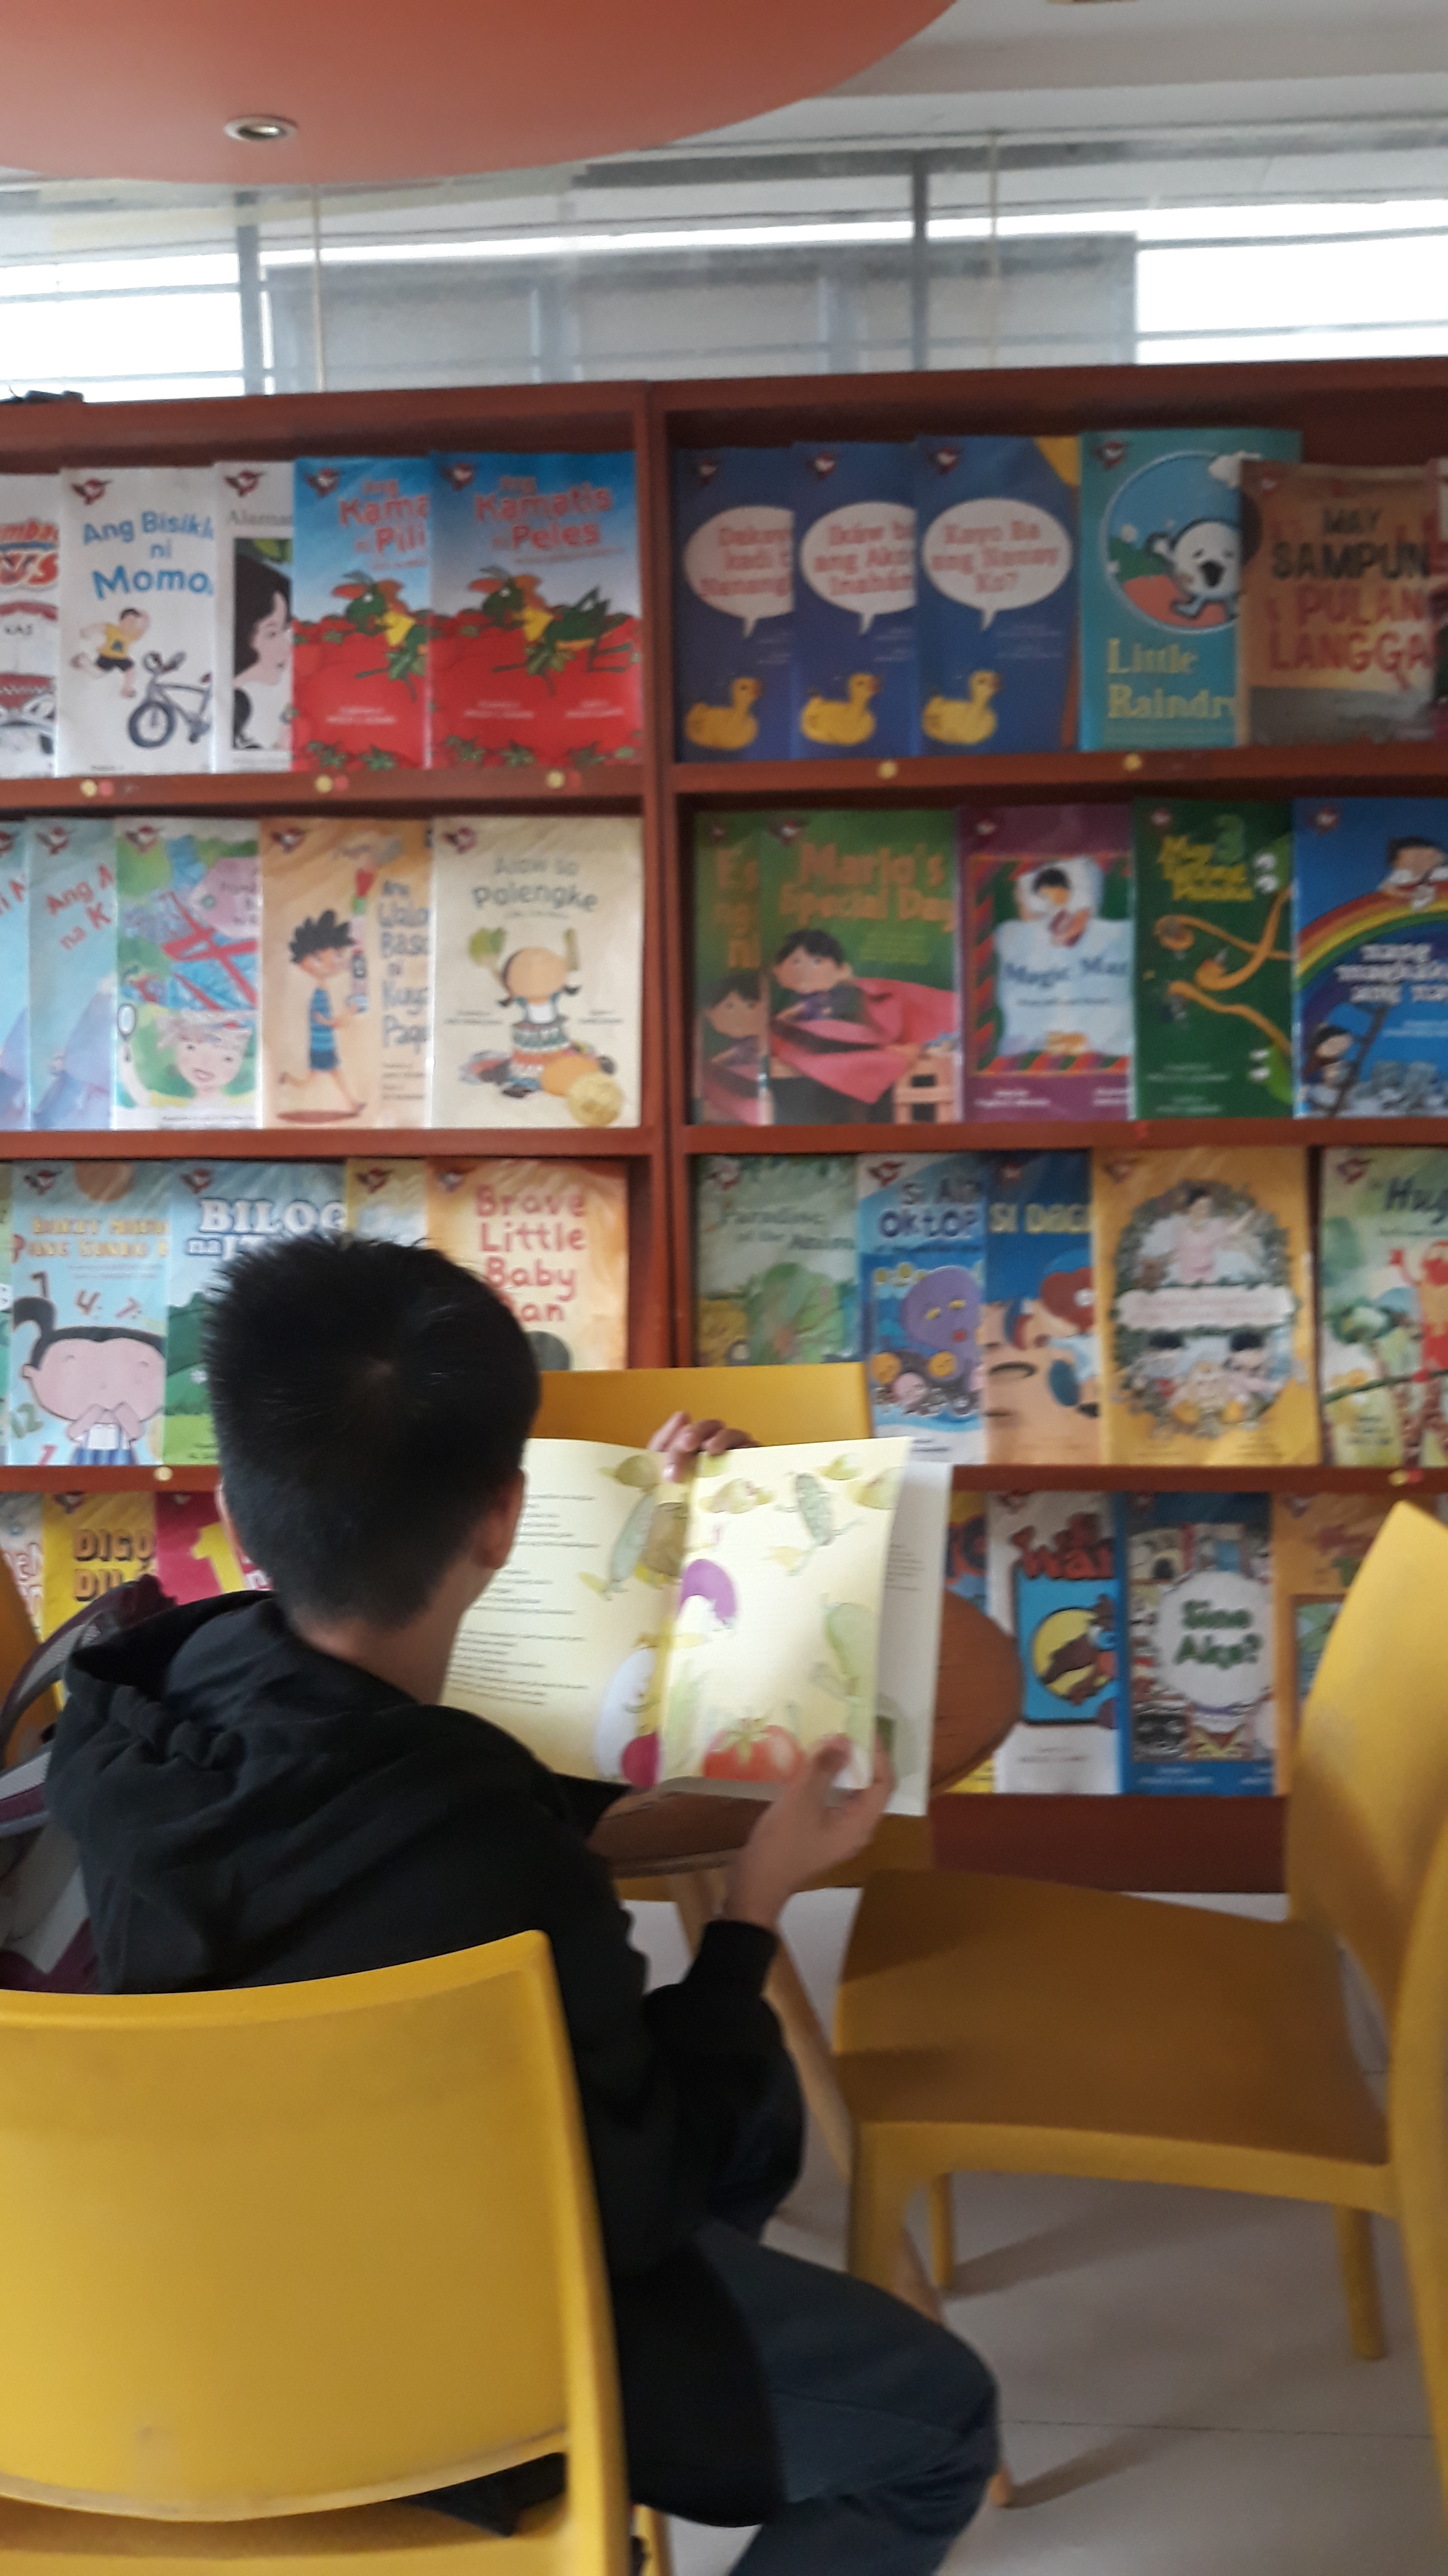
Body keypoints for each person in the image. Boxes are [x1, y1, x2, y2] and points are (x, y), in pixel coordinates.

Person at [46, 1236, 998, 2572]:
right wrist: (752, 1908)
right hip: (438, 2359)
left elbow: (370, 1796)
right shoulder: (504, 1869)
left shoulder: (125, 1715)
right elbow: (646, 2193)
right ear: (504, 1518)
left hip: (145, 2333)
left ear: (236, 1517)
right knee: (938, 2422)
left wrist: (657, 1544)